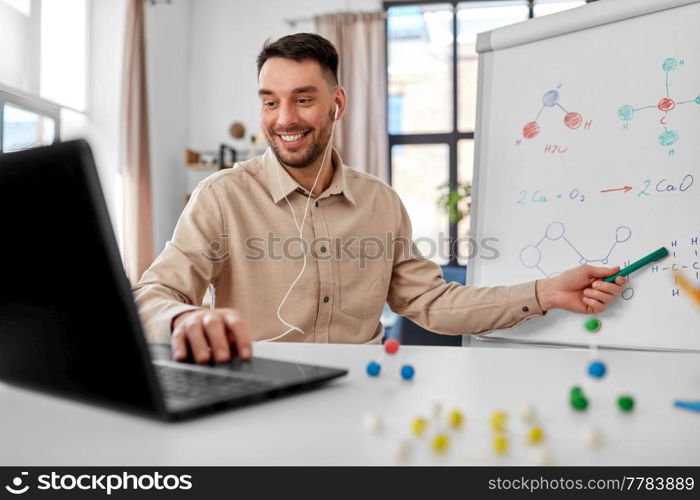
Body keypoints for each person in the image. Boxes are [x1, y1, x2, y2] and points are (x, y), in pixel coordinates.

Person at [133, 33, 627, 365]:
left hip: (363, 399)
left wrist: (546, 292)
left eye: (303, 99)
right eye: (269, 101)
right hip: (258, 396)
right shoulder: (220, 198)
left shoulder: (381, 203)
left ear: (337, 103)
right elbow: (152, 296)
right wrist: (185, 316)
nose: (283, 118)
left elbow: (432, 302)